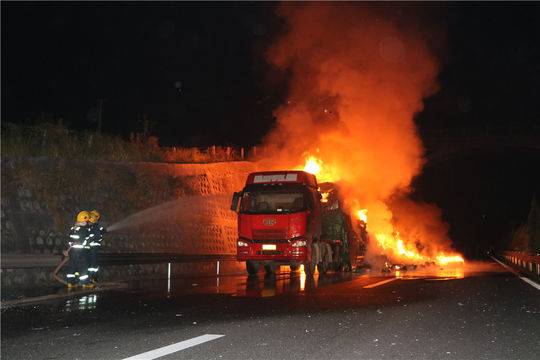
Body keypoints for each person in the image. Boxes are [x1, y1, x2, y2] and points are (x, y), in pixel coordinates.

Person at [65, 211, 91, 287]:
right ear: (83, 221)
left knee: (72, 266)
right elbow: (84, 240)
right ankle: (85, 283)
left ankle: (70, 282)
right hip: (80, 252)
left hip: (72, 251)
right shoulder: (84, 230)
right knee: (83, 267)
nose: (86, 223)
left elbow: (70, 239)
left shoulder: (73, 228)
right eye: (86, 221)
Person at [87, 210, 106, 282]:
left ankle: (92, 277)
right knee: (93, 263)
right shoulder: (95, 226)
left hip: (91, 248)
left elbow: (96, 235)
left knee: (91, 262)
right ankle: (93, 277)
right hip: (93, 248)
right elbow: (98, 234)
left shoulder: (93, 227)